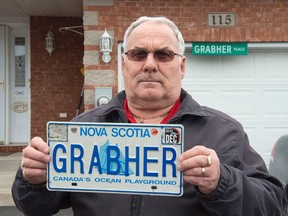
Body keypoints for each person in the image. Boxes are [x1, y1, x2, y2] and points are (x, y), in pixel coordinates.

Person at [12, 16, 286, 216]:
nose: (150, 64)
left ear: (182, 66)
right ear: (124, 63)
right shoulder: (82, 130)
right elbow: (35, 207)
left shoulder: (225, 133)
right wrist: (32, 180)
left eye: (163, 55)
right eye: (139, 54)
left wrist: (221, 181)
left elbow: (273, 205)